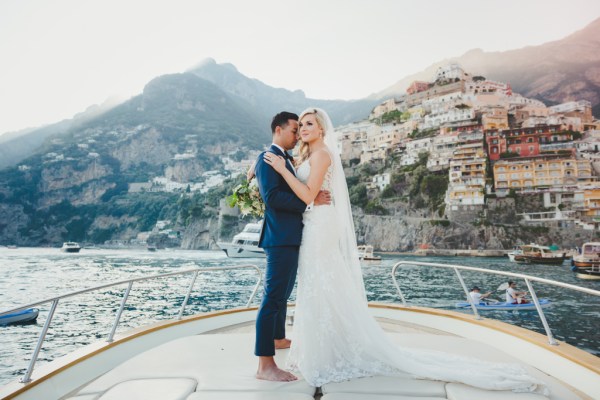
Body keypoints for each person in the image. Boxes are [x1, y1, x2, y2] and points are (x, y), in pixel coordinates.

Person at [263, 107, 546, 393]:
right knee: (317, 285)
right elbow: (305, 188)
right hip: (312, 223)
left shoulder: (322, 154)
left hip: (320, 225)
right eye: (300, 126)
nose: (303, 130)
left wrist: (280, 170)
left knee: (321, 282)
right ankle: (320, 348)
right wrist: (265, 169)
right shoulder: (305, 155)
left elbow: (308, 194)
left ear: (322, 129)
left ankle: (327, 352)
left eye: (309, 124)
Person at [253, 111, 330, 382]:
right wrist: (310, 200)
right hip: (280, 238)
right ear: (278, 130)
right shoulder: (268, 158)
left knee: (282, 294)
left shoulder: (284, 159)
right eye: (294, 130)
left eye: (301, 130)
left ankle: (277, 338)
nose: (297, 135)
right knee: (272, 298)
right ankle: (265, 365)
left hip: (290, 236)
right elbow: (272, 197)